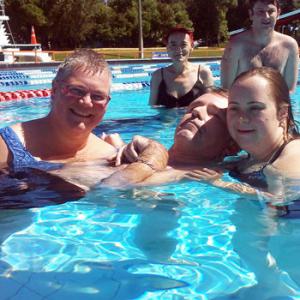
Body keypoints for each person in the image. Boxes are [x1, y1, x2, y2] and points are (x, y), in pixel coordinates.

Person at [0, 49, 169, 195]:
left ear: (107, 104)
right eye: (76, 90)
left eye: (98, 97)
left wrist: (154, 149)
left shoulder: (110, 156)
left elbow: (181, 176)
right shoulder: (7, 146)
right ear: (55, 89)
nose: (87, 102)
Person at [188, 67, 300, 213]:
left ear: (282, 113)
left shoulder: (292, 155)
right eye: (234, 108)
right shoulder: (244, 162)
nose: (242, 118)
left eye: (255, 108)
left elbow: (282, 204)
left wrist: (222, 184)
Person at [221, 0, 299, 93]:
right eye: (260, 11)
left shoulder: (289, 46)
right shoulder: (236, 45)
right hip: (244, 106)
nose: (266, 16)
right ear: (251, 14)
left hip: (274, 106)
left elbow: (289, 91)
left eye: (270, 11)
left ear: (278, 13)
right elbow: (226, 90)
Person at [149, 26, 214, 108]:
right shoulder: (157, 76)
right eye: (173, 45)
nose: (178, 50)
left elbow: (211, 107)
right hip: (165, 121)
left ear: (192, 46)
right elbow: (151, 109)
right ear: (167, 48)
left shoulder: (203, 73)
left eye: (183, 44)